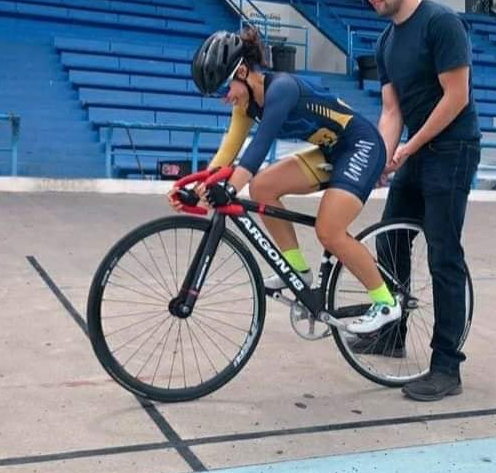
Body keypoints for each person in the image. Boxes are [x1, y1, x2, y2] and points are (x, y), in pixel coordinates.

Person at [170, 26, 399, 334]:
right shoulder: (246, 104)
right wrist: (197, 188)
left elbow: (257, 149)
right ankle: (297, 270)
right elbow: (228, 152)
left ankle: (385, 302)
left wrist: (227, 188)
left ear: (242, 71)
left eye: (225, 89)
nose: (225, 99)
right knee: (262, 187)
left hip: (362, 146)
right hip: (331, 151)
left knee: (329, 231)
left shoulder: (282, 89)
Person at [357, 0, 481, 401]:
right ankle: (392, 334)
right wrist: (382, 159)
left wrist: (410, 146)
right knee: (390, 239)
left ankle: (447, 367)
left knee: (443, 254)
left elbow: (457, 97)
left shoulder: (441, 22)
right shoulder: (385, 42)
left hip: (453, 148)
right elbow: (391, 111)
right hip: (418, 150)